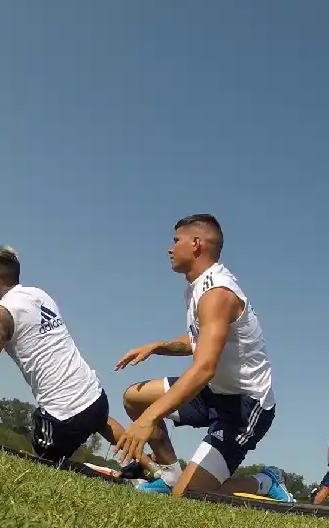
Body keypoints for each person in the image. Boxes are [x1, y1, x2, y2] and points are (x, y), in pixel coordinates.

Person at [112, 214, 292, 501]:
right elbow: (201, 340)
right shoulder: (197, 287)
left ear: (196, 244)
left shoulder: (217, 292)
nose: (170, 249)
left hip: (244, 406)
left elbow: (205, 366)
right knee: (133, 397)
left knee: (190, 495)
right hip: (212, 391)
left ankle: (264, 482)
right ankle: (169, 476)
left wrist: (149, 418)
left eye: (175, 241)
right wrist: (158, 346)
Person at [0, 247, 124, 465]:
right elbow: (21, 315)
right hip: (98, 400)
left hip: (65, 417)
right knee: (95, 420)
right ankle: (153, 469)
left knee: (43, 462)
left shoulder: (1, 312)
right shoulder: (38, 295)